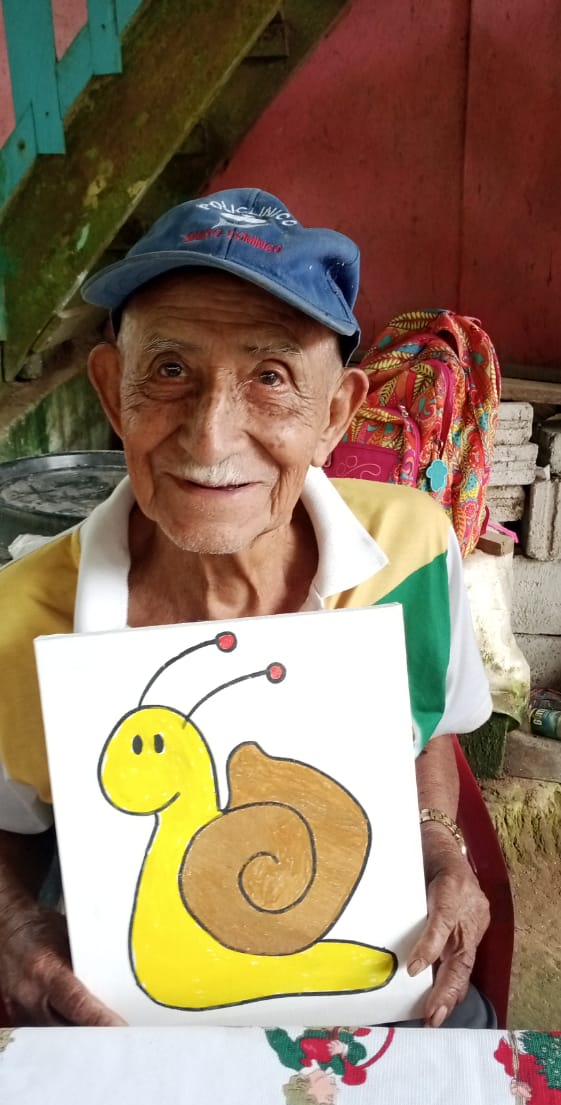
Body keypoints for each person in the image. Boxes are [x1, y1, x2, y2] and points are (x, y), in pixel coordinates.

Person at [0, 187, 492, 1028]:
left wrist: (437, 837)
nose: (210, 438)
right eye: (170, 371)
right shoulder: (21, 615)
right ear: (113, 394)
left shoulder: (411, 549)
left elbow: (427, 728)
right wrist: (13, 926)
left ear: (334, 414)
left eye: (270, 378)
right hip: (125, 995)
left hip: (369, 963)